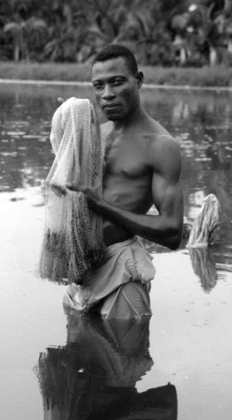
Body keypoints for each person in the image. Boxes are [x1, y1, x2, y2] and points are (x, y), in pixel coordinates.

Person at [64, 44, 184, 318]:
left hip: (121, 270)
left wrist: (102, 206)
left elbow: (172, 232)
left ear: (138, 80)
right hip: (80, 271)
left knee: (126, 357)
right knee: (77, 354)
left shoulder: (160, 145)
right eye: (99, 86)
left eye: (117, 82)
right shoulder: (96, 134)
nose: (107, 94)